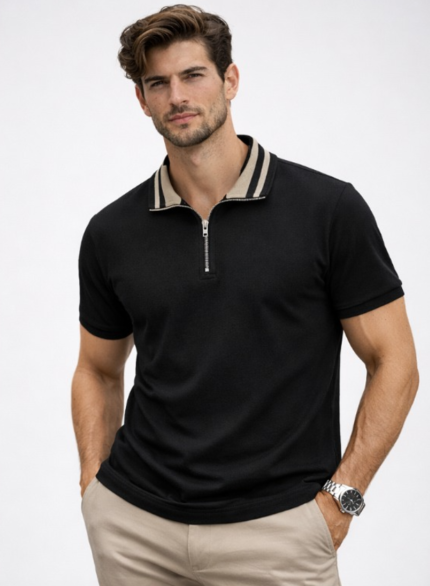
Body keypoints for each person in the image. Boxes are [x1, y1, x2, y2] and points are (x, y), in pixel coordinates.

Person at [71, 5, 419, 585]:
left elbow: (395, 362)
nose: (177, 96)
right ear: (142, 100)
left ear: (230, 80)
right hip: (136, 530)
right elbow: (97, 369)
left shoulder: (328, 210)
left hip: (279, 534)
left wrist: (343, 498)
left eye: (193, 75)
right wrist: (94, 488)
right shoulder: (112, 232)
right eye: (158, 83)